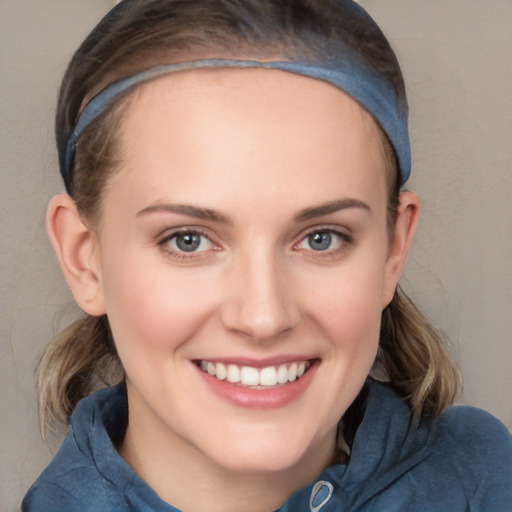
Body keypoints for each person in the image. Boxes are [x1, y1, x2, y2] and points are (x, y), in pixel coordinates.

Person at [22, 1, 512, 511]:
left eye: (322, 238)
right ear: (85, 258)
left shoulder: (489, 479)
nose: (263, 317)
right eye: (187, 239)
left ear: (393, 249)